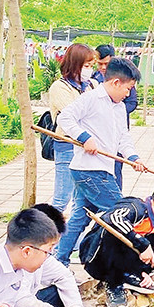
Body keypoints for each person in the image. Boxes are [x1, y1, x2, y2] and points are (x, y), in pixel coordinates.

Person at [55, 58, 146, 267]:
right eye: (128, 88)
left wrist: (133, 158)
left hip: (102, 168)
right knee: (120, 214)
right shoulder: (91, 98)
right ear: (115, 83)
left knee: (79, 218)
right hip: (89, 170)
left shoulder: (120, 108)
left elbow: (123, 137)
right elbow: (65, 118)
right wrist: (84, 137)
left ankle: (59, 261)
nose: (128, 94)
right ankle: (121, 265)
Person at [79, 175, 154, 307]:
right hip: (97, 261)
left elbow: (148, 254)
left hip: (124, 262)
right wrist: (143, 244)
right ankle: (114, 284)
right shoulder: (134, 208)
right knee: (114, 232)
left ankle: (133, 275)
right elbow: (112, 218)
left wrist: (144, 271)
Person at [12, 204, 86, 307]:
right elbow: (17, 299)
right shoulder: (13, 259)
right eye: (50, 247)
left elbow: (64, 276)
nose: (51, 252)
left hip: (23, 303)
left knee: (58, 293)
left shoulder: (41, 255)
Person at [48, 44, 97, 211]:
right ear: (74, 64)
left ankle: (74, 237)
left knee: (81, 201)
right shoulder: (60, 87)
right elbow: (73, 117)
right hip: (67, 145)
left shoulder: (92, 85)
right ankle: (49, 235)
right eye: (86, 66)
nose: (89, 70)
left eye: (91, 66)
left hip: (87, 148)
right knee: (62, 198)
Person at [94, 45, 137, 190]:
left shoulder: (124, 78)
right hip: (96, 138)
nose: (103, 67)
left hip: (117, 132)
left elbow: (132, 102)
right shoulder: (94, 79)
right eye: (99, 64)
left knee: (115, 170)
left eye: (106, 63)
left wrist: (114, 111)